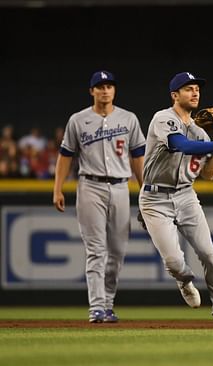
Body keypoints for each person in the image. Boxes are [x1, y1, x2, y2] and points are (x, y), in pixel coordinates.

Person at [138, 71, 213, 329]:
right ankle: (184, 280)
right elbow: (180, 145)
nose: (195, 92)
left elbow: (208, 175)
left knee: (209, 253)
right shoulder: (163, 118)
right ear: (175, 95)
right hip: (154, 198)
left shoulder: (201, 133)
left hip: (186, 195)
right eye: (188, 89)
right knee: (175, 262)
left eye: (197, 88)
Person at [53, 70, 146, 323]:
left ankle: (107, 303)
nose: (105, 90)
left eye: (109, 86)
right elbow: (65, 155)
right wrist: (57, 188)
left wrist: (145, 190)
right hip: (90, 186)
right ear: (91, 91)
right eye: (100, 86)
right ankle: (96, 307)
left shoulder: (128, 119)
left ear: (114, 90)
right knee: (96, 250)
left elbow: (138, 157)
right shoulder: (78, 120)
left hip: (120, 187)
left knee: (117, 251)